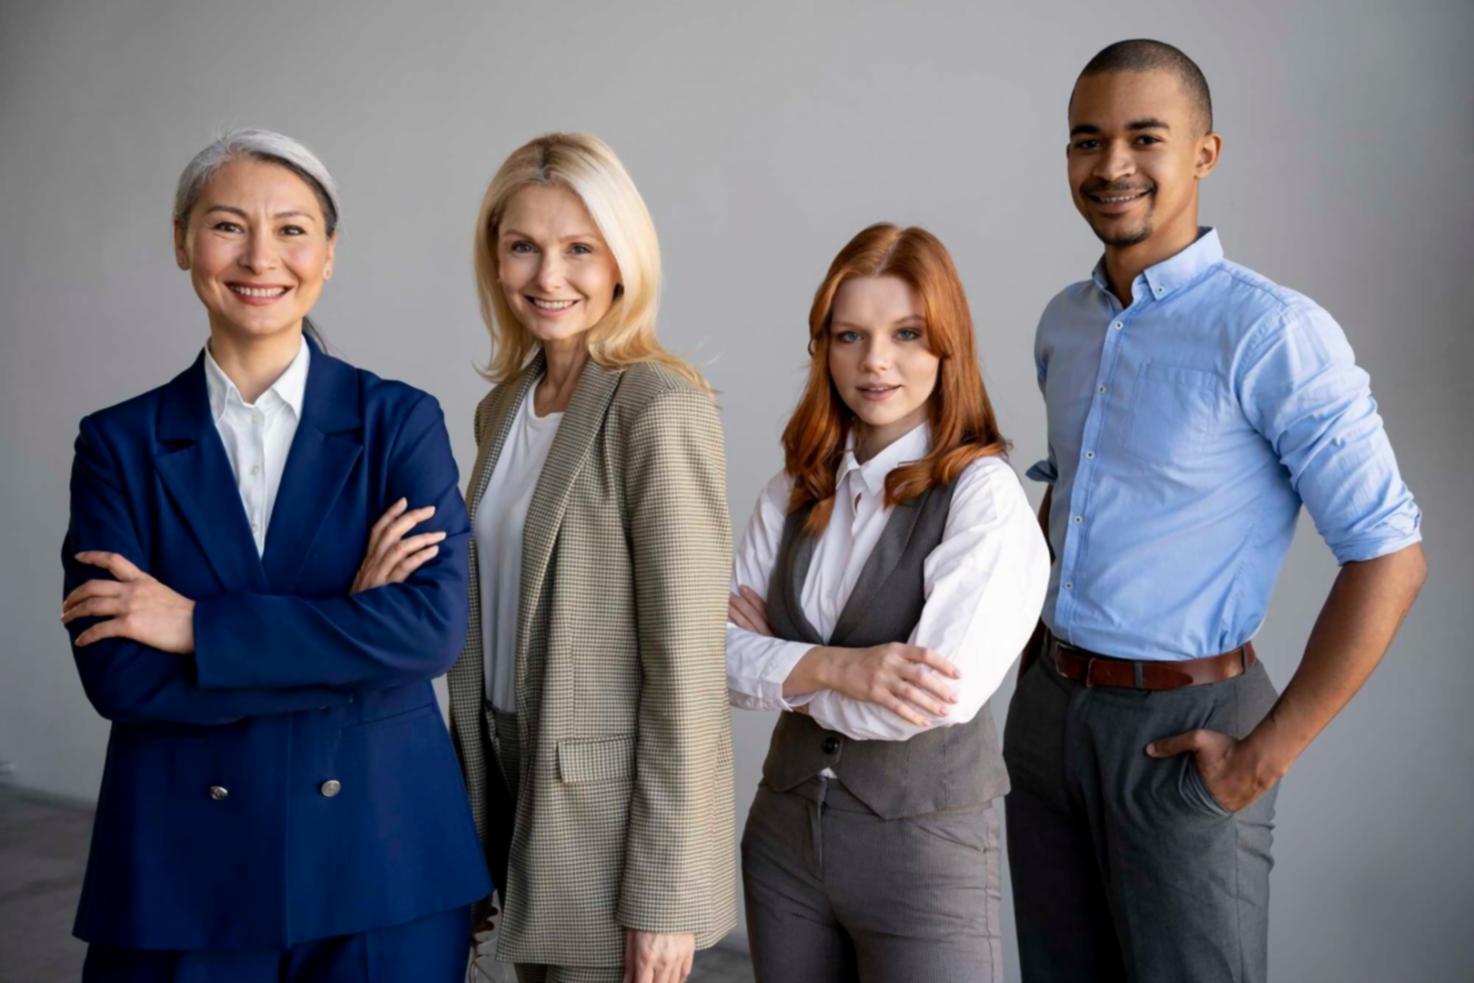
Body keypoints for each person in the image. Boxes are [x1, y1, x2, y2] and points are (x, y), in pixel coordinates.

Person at [1003, 39, 1428, 982]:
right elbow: (1066, 499)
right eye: (1087, 140)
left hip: (1183, 732)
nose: (1111, 165)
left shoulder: (1275, 333)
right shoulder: (1063, 324)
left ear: (1205, 152)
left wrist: (1258, 761)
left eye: (1144, 137)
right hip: (1046, 717)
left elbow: (1391, 556)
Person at [59, 129, 491, 982]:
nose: (262, 256)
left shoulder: (398, 421)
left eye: (292, 229)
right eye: (228, 225)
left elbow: (431, 634)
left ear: (328, 253)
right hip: (182, 867)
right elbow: (119, 677)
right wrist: (349, 628)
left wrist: (193, 627)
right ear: (183, 239)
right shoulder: (117, 443)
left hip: (383, 861)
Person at [444, 132, 736, 983]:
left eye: (579, 248)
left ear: (623, 259)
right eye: (522, 247)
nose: (548, 276)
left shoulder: (657, 407)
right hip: (506, 783)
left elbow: (685, 673)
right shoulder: (502, 409)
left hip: (610, 826)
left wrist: (666, 896)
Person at [726, 223, 1050, 983]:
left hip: (921, 852)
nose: (875, 361)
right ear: (824, 348)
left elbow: (924, 702)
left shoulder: (984, 497)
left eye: (907, 333)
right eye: (850, 335)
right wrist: (842, 668)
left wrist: (779, 664)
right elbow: (711, 659)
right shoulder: (793, 488)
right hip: (783, 842)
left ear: (947, 345)